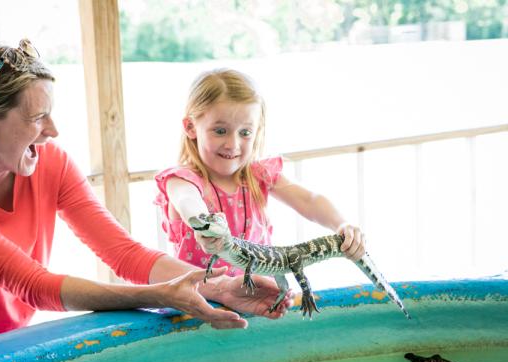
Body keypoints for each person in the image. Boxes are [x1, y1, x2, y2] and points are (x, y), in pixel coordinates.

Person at [0, 40, 292, 360]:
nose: (53, 131)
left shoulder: (48, 162)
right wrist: (160, 296)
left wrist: (216, 287)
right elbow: (33, 285)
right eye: (38, 117)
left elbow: (123, 253)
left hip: (4, 341)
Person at [155, 68, 366, 278]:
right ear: (191, 127)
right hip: (203, 302)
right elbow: (187, 201)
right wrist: (204, 227)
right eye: (220, 131)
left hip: (258, 299)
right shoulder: (182, 180)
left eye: (245, 132)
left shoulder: (259, 175)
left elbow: (309, 200)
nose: (233, 144)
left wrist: (341, 224)